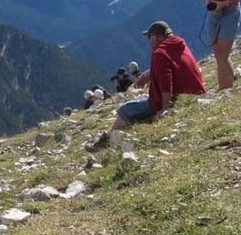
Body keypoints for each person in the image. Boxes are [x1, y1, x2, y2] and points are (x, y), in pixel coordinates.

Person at [86, 21, 206, 151]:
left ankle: (106, 143)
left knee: (125, 109)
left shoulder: (159, 52)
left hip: (168, 100)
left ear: (155, 37)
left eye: (149, 37)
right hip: (195, 92)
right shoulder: (178, 44)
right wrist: (145, 76)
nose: (148, 41)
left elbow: (166, 80)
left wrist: (165, 108)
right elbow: (169, 65)